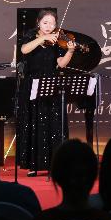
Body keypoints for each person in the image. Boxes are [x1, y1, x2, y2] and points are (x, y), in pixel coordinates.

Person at [18, 9, 76, 176]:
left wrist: (70, 52)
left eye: (52, 23)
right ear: (38, 23)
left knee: (54, 124)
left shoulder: (57, 41)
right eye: (45, 23)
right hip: (32, 85)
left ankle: (55, 164)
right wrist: (42, 38)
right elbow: (24, 50)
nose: (49, 26)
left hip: (51, 85)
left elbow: (61, 64)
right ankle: (34, 165)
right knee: (34, 123)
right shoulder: (30, 36)